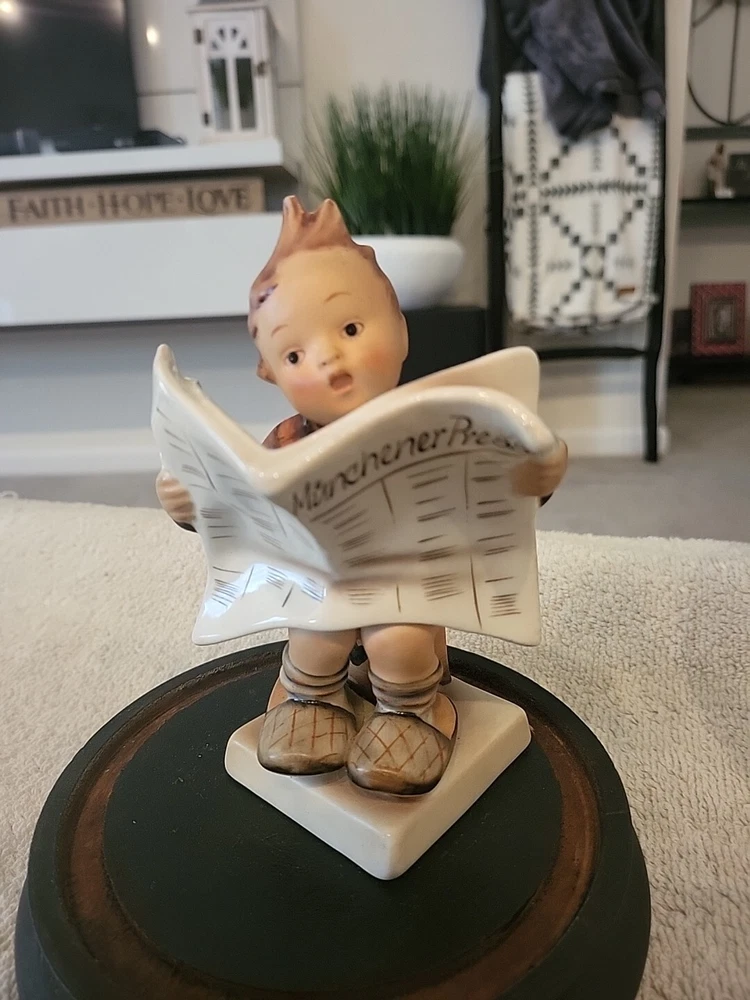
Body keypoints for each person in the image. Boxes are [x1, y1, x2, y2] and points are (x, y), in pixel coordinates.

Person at [156, 196, 568, 795]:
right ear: (270, 372)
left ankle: (414, 710)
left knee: (397, 641)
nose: (328, 359)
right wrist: (193, 502)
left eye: (350, 329)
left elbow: (498, 487)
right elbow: (245, 507)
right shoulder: (287, 441)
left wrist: (538, 472)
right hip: (319, 580)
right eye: (294, 353)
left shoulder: (439, 422)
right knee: (315, 637)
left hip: (410, 582)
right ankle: (311, 699)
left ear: (400, 328)